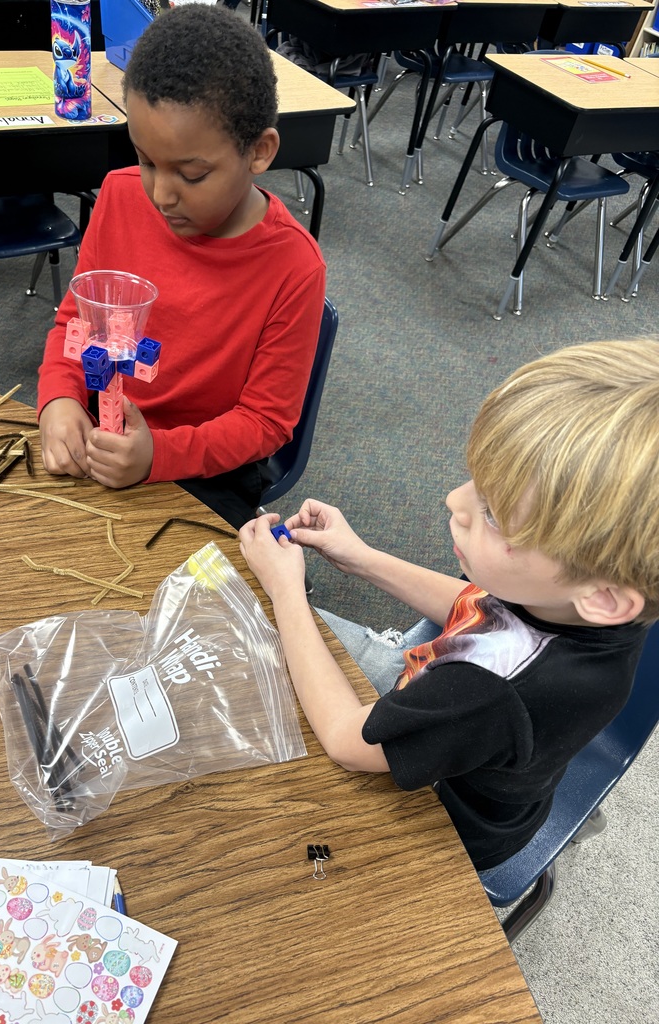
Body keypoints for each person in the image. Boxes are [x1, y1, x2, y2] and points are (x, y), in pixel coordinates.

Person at [239, 339, 659, 870]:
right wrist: (362, 558)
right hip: (472, 732)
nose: (454, 502)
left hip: (444, 823)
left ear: (603, 597)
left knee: (278, 842)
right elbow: (479, 607)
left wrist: (286, 592)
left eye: (492, 514)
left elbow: (347, 741)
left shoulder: (490, 691)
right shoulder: (575, 604)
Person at [37, 4, 326, 528]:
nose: (160, 194)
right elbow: (73, 326)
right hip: (102, 434)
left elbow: (265, 422)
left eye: (191, 174)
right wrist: (58, 398)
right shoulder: (120, 197)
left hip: (205, 471)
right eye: (146, 160)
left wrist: (157, 457)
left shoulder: (292, 266)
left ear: (259, 152)